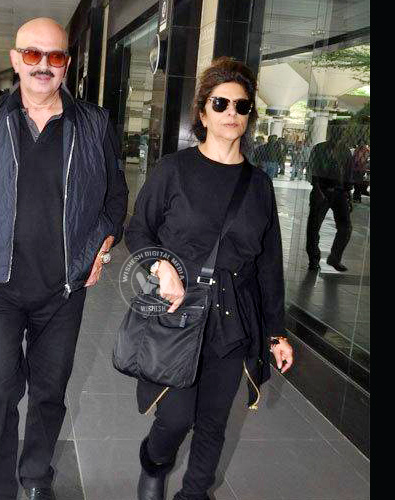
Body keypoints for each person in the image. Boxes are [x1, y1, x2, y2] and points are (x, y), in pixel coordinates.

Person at [0, 17, 128, 500]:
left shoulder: (93, 124)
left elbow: (115, 200)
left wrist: (101, 249)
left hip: (63, 288)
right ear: (15, 59)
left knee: (50, 390)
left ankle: (37, 476)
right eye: (33, 54)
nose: (44, 65)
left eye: (55, 56)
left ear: (67, 64)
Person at [124, 57, 293, 500]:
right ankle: (155, 461)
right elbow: (138, 231)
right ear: (202, 112)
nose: (232, 113)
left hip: (234, 317)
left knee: (214, 421)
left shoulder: (259, 185)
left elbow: (269, 264)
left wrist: (276, 333)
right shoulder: (174, 170)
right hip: (181, 311)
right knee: (176, 417)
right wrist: (161, 267)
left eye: (241, 105)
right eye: (221, 103)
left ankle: (194, 493)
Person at [305, 126, 354, 272]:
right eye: (338, 131)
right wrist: (317, 189)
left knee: (346, 227)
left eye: (342, 132)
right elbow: (312, 169)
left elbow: (348, 173)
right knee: (314, 227)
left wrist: (348, 194)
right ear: (331, 132)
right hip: (322, 190)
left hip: (339, 193)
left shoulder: (345, 151)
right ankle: (314, 260)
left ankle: (335, 258)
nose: (340, 134)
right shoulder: (319, 149)